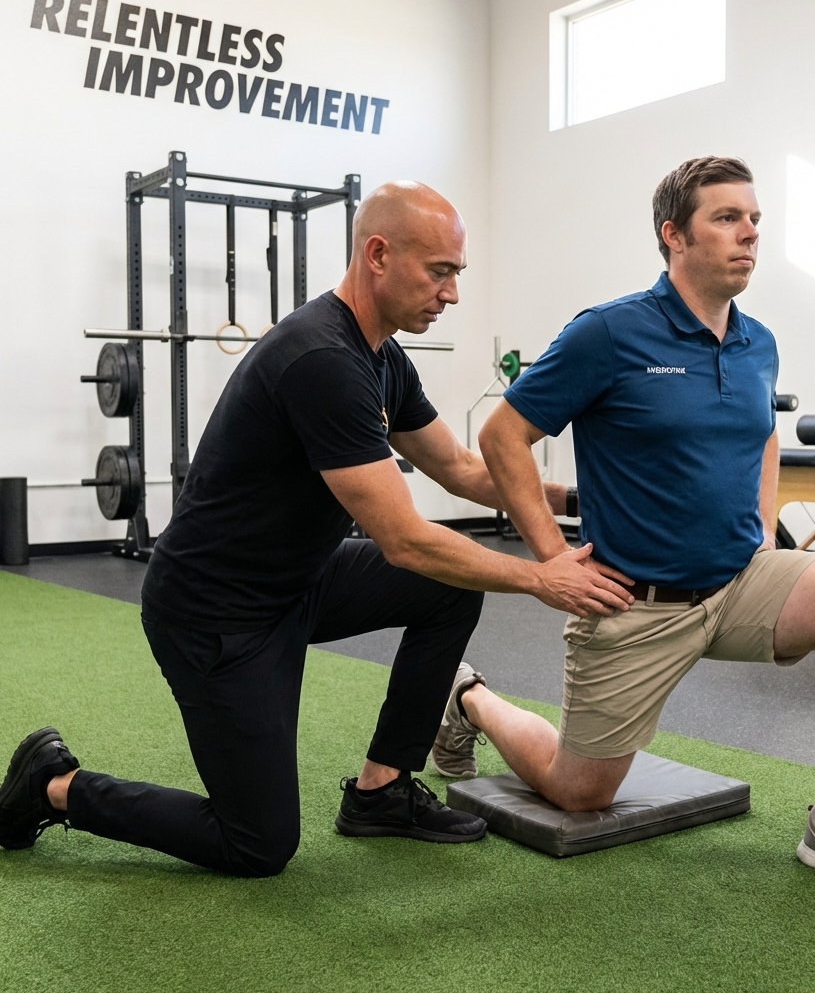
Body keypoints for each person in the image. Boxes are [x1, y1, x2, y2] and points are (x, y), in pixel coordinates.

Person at [0, 181, 634, 877]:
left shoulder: (382, 358)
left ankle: (382, 792)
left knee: (446, 593)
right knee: (256, 844)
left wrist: (583, 497)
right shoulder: (321, 361)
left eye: (457, 274)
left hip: (297, 581)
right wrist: (540, 577)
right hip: (216, 614)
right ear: (379, 254)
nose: (451, 293)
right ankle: (55, 787)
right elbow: (406, 539)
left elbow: (459, 469)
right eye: (440, 272)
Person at [432, 157, 815, 900]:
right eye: (727, 219)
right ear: (673, 235)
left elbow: (763, 434)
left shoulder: (757, 341)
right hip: (633, 602)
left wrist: (763, 537)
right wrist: (549, 560)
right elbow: (504, 436)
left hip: (737, 583)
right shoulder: (609, 333)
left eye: (755, 220)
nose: (749, 234)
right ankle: (469, 696)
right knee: (581, 793)